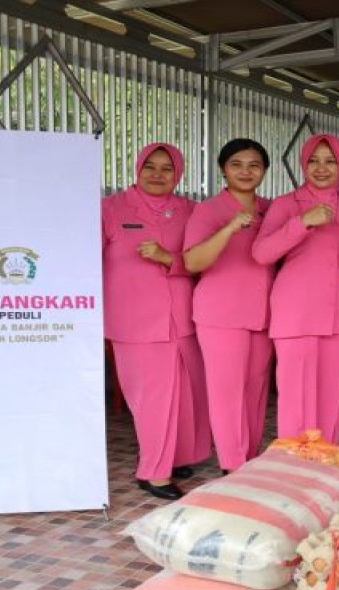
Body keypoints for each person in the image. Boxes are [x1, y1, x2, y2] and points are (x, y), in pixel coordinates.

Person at [102, 142, 212, 499]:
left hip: (185, 317)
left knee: (186, 392)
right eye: (151, 166)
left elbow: (201, 258)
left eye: (167, 168)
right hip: (135, 321)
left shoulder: (190, 210)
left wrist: (170, 259)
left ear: (178, 173)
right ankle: (153, 472)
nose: (158, 175)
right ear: (137, 168)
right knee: (152, 399)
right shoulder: (111, 209)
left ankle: (178, 455)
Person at [252, 134, 339, 443]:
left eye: (330, 161)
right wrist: (303, 222)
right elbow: (262, 253)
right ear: (303, 164)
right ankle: (294, 463)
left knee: (331, 394)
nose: (321, 168)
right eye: (314, 160)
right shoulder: (286, 205)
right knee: (295, 396)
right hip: (295, 312)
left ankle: (325, 462)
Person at [182, 139, 273, 473]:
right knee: (227, 392)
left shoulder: (271, 209)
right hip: (220, 314)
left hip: (263, 314)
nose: (246, 171)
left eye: (254, 165)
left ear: (264, 170)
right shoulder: (208, 210)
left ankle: (249, 458)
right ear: (223, 168)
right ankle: (232, 465)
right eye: (237, 164)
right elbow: (193, 261)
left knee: (255, 390)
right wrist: (230, 228)